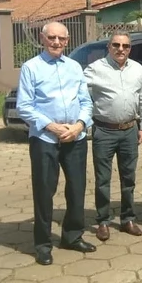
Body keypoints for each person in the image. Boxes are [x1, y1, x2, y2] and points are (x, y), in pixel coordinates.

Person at [15, 22, 97, 265]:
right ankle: (42, 245)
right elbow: (24, 106)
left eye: (61, 38)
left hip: (75, 137)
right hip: (45, 139)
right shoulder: (31, 68)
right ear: (42, 39)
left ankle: (72, 236)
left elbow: (86, 102)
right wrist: (51, 126)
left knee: (77, 188)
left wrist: (80, 125)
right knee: (44, 191)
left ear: (67, 40)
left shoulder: (74, 67)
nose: (56, 42)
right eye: (51, 37)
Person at [84, 32, 142, 241]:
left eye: (125, 46)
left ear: (130, 48)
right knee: (103, 179)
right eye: (116, 45)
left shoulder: (137, 69)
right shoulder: (94, 69)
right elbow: (80, 96)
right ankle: (103, 221)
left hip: (130, 130)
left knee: (128, 178)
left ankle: (127, 219)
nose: (121, 49)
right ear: (108, 47)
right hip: (104, 131)